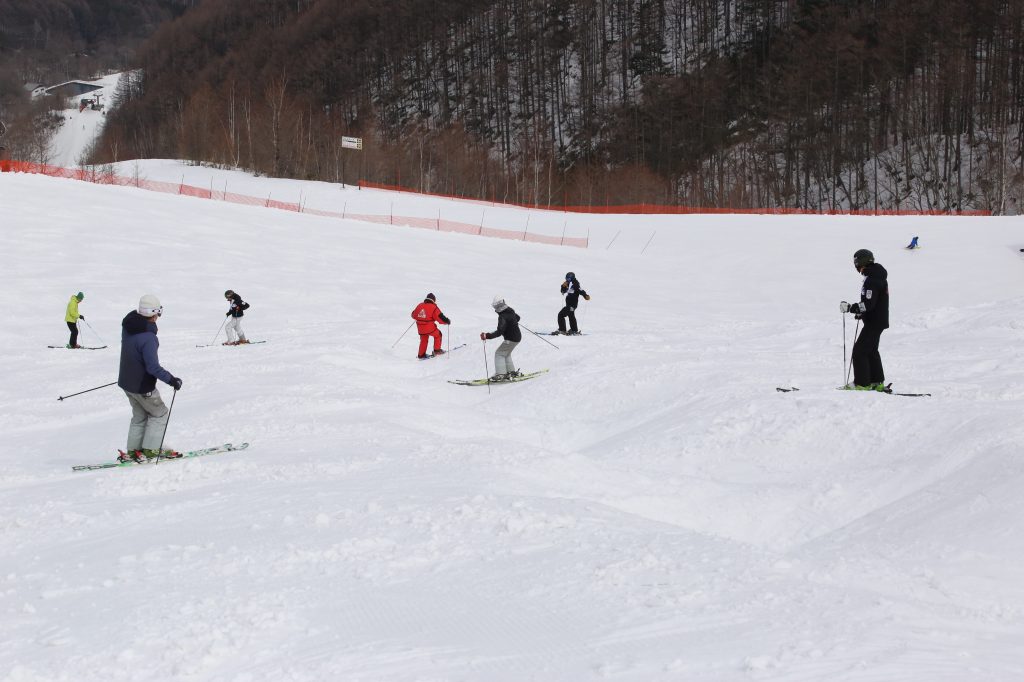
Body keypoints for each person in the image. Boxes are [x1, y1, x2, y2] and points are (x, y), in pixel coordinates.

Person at [116, 294, 183, 462]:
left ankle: (133, 451)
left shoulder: (128, 326)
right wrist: (172, 380)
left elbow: (133, 353)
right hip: (142, 386)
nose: (158, 317)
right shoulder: (148, 338)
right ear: (153, 314)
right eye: (158, 313)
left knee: (139, 416)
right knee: (159, 413)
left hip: (126, 382)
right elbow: (152, 367)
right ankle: (151, 450)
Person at [840, 249, 889, 390]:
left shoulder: (872, 279)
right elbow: (874, 303)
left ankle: (862, 384)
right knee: (871, 350)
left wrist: (851, 308)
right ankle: (876, 382)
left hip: (874, 322)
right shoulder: (875, 276)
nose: (855, 265)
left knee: (860, 351)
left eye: (856, 262)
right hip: (876, 320)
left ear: (861, 262)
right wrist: (863, 313)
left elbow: (868, 304)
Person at [480, 296, 522, 381]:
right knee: (506, 354)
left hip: (510, 339)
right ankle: (511, 372)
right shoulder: (510, 310)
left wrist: (487, 336)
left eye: (495, 306)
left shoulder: (502, 316)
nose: (495, 309)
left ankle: (501, 374)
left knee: (499, 354)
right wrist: (512, 322)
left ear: (498, 306)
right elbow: (518, 318)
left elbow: (499, 332)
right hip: (517, 337)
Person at [410, 292, 451, 358]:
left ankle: (421, 355)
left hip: (420, 328)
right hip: (429, 328)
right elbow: (440, 317)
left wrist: (420, 316)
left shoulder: (420, 305)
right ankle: (437, 350)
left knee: (424, 339)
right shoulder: (434, 307)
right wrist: (447, 321)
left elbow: (413, 314)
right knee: (438, 334)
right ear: (433, 300)